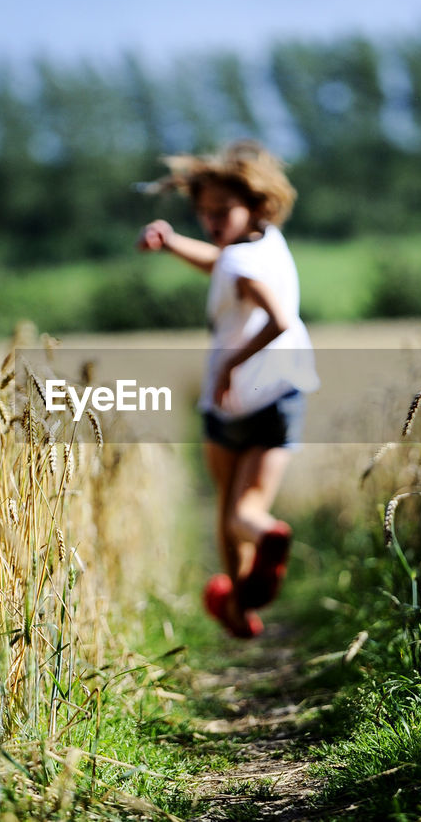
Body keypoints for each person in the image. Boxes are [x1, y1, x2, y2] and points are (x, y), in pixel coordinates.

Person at [136, 140, 318, 638]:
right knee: (250, 504)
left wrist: (229, 367)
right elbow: (224, 264)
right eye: (203, 212)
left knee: (227, 510)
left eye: (221, 211)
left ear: (254, 205)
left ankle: (239, 601)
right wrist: (173, 244)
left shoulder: (238, 263)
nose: (211, 222)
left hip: (235, 398)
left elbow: (276, 320)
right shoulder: (264, 244)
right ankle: (266, 539)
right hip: (284, 392)